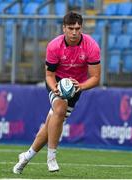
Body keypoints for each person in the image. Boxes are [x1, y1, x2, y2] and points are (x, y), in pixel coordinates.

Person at [13, 11, 101, 174]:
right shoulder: (54, 46)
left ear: (81, 28)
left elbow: (95, 78)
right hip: (57, 82)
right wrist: (55, 88)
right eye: (70, 28)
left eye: (78, 28)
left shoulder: (91, 46)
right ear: (64, 28)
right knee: (59, 109)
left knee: (50, 125)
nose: (74, 32)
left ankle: (26, 156)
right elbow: (49, 75)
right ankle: (51, 157)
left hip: (77, 86)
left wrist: (80, 87)